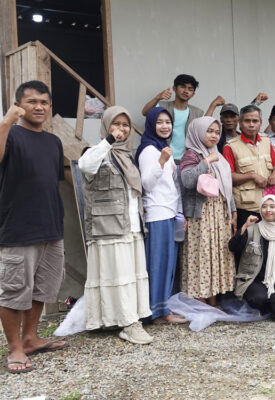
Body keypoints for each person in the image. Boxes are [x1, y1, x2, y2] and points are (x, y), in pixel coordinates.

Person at [0, 81, 67, 373]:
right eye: (31, 102)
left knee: (42, 288)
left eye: (44, 102)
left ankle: (30, 338)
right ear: (18, 105)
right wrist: (5, 122)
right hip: (18, 227)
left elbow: (51, 182)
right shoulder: (11, 135)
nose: (39, 107)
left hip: (51, 226)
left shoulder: (53, 142)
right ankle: (14, 348)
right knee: (14, 290)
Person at [79, 106, 153, 344]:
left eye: (125, 126)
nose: (121, 130)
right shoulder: (97, 152)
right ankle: (128, 323)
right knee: (116, 275)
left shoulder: (127, 156)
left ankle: (128, 319)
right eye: (116, 124)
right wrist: (108, 141)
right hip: (108, 226)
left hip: (130, 224)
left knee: (129, 275)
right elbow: (85, 165)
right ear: (106, 126)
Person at [136, 107, 187, 324]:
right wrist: (161, 162)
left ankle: (162, 309)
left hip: (169, 213)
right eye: (160, 122)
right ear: (151, 125)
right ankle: (157, 312)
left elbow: (173, 187)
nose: (165, 126)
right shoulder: (149, 150)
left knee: (167, 263)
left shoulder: (162, 148)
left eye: (168, 122)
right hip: (156, 213)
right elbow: (146, 183)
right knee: (157, 263)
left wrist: (180, 214)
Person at [180, 117, 237, 308]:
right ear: (198, 132)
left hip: (219, 213)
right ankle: (201, 302)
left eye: (216, 132)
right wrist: (205, 162)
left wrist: (233, 210)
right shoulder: (192, 155)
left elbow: (226, 187)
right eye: (209, 131)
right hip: (202, 215)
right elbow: (187, 181)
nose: (214, 135)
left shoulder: (217, 155)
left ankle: (213, 300)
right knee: (203, 257)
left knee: (217, 255)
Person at [228, 195, 275, 321]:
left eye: (272, 206)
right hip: (253, 280)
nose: (268, 210)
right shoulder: (252, 229)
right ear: (260, 210)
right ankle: (260, 305)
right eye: (264, 207)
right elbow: (233, 247)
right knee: (259, 298)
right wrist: (244, 227)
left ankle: (270, 304)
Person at [223, 105, 275, 228]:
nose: (251, 124)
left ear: (261, 123)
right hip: (245, 208)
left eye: (255, 121)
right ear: (240, 123)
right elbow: (228, 177)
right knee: (249, 245)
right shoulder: (230, 146)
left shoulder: (266, 141)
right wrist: (252, 176)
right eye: (247, 121)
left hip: (268, 205)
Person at [141, 74, 205, 161]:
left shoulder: (197, 113)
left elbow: (204, 131)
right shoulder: (162, 107)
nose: (186, 91)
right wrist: (158, 97)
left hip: (187, 160)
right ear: (174, 88)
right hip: (163, 156)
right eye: (183, 87)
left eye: (190, 89)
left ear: (193, 94)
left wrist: (213, 105)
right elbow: (145, 112)